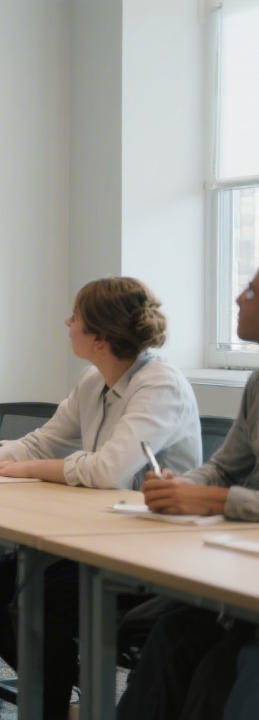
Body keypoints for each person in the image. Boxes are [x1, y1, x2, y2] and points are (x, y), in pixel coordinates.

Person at [0, 277, 200, 720]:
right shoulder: (94, 379)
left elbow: (107, 470)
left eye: (75, 317)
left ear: (98, 337)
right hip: (98, 538)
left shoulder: (160, 385)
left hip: (153, 553)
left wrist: (27, 469)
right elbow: (44, 442)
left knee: (41, 598)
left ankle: (63, 700)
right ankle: (69, 693)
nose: (66, 322)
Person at [115, 269, 259, 720]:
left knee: (202, 651)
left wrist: (215, 502)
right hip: (238, 561)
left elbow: (224, 490)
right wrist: (183, 486)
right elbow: (224, 466)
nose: (237, 298)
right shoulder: (257, 382)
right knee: (176, 634)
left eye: (252, 290)